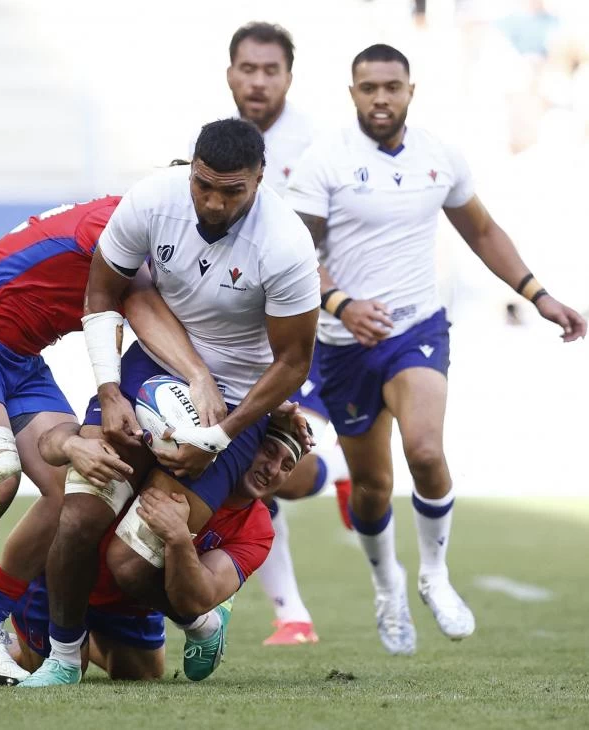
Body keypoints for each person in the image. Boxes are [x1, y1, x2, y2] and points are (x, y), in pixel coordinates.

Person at [285, 44, 587, 655]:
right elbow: (295, 256)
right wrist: (342, 304)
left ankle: (434, 574)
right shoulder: (326, 162)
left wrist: (539, 295)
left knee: (425, 450)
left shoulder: (439, 157)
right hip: (343, 346)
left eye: (391, 86)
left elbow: (480, 231)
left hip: (416, 328)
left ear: (410, 91)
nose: (380, 98)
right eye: (368, 87)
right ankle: (386, 583)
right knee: (371, 485)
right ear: (352, 94)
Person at [20, 118, 320, 687]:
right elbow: (103, 292)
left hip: (234, 399)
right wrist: (109, 390)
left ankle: (202, 618)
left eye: (231, 190)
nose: (212, 201)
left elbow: (292, 363)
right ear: (191, 169)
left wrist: (224, 435)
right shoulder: (154, 199)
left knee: (133, 564)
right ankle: (63, 660)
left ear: (259, 180)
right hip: (149, 368)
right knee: (80, 514)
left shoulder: (284, 244)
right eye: (203, 185)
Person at [0, 197, 222, 687]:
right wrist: (185, 380)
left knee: (74, 492)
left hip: (21, 360)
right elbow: (136, 305)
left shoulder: (150, 236)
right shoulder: (122, 223)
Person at [224, 20, 351, 647]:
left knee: (274, 466)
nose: (258, 80)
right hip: (236, 340)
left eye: (270, 70)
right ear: (230, 74)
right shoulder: (214, 148)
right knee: (246, 465)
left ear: (288, 77)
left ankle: (334, 474)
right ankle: (292, 616)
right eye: (247, 69)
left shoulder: (321, 147)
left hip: (311, 340)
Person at [8, 424, 300, 681]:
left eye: (287, 466)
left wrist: (179, 537)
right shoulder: (177, 458)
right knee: (63, 667)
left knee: (143, 674)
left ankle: (78, 638)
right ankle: (3, 645)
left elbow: (197, 599)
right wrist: (72, 444)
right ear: (246, 445)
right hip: (64, 583)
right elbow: (51, 439)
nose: (272, 469)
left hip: (132, 600)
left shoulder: (259, 529)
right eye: (269, 451)